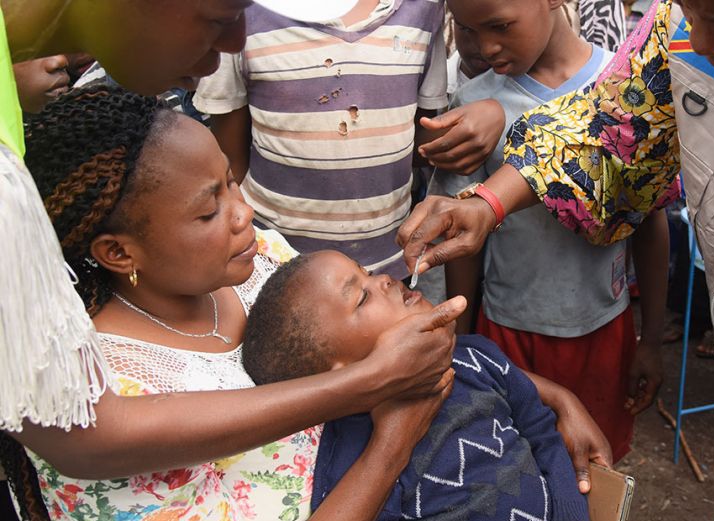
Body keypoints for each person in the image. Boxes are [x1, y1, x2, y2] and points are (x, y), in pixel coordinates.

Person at [397, 0, 714, 521]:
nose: (700, 44)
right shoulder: (689, 32)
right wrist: (488, 203)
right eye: (688, 10)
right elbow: (611, 129)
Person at [0, 1, 467, 495]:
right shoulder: (114, 360)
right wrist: (373, 391)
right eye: (219, 17)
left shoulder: (260, 259)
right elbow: (79, 430)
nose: (235, 43)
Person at [433, 0, 669, 462]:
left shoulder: (625, 90)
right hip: (507, 332)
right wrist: (461, 347)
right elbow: (462, 241)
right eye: (466, 29)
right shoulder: (476, 107)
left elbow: (650, 218)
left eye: (499, 25)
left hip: (605, 330)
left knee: (594, 470)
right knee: (513, 469)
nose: (485, 47)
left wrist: (653, 339)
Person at [243, 250, 592, 521]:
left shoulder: (477, 357)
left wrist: (571, 516)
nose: (384, 280)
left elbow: (542, 432)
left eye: (367, 271)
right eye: (361, 298)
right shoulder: (352, 453)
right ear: (342, 372)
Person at [193, 0, 505, 278]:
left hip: (386, 271)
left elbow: (415, 140)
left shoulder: (423, 8)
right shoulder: (240, 11)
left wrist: (493, 113)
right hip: (273, 269)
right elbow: (228, 162)